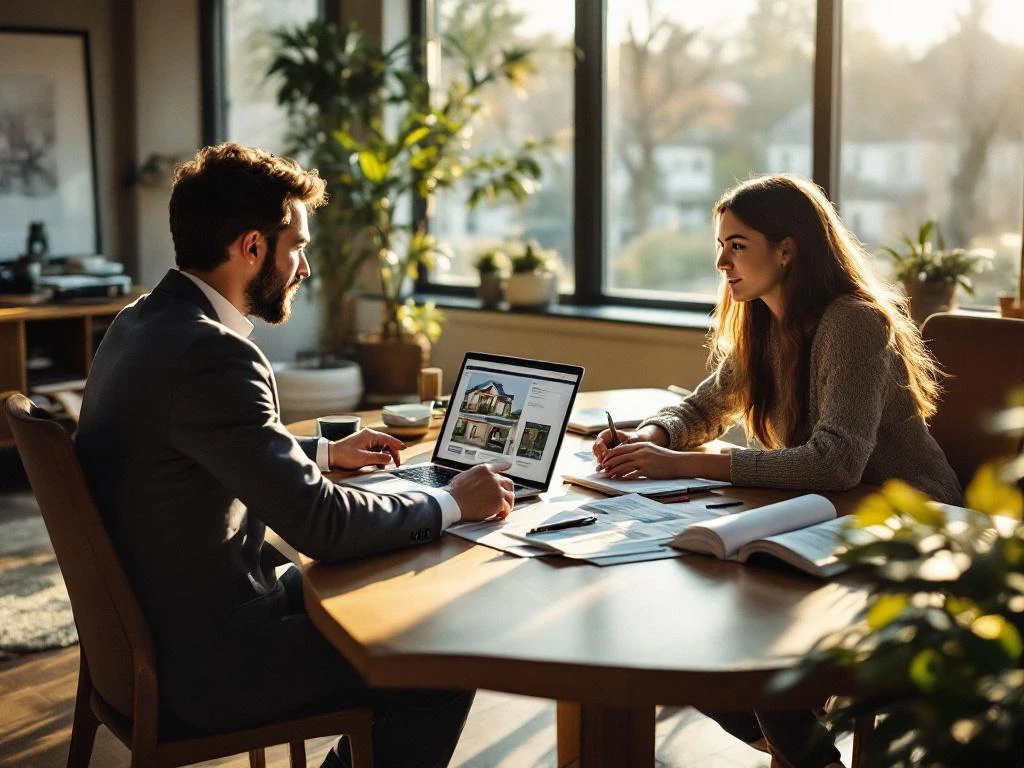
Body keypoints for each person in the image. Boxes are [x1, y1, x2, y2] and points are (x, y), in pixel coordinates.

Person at [76, 143, 516, 768]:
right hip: (208, 667)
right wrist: (452, 499)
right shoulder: (215, 355)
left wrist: (321, 451)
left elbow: (181, 447)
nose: (305, 267)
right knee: (435, 653)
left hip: (146, 637)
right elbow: (325, 527)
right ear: (251, 247)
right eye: (298, 247)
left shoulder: (138, 323)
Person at [592, 174, 962, 768]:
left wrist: (683, 465)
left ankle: (803, 752)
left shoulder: (854, 322)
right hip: (829, 514)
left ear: (786, 250)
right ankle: (802, 749)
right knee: (700, 625)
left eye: (737, 245)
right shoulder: (763, 320)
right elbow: (705, 405)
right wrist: (650, 437)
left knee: (753, 636)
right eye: (720, 245)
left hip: (908, 520)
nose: (721, 261)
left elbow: (837, 461)